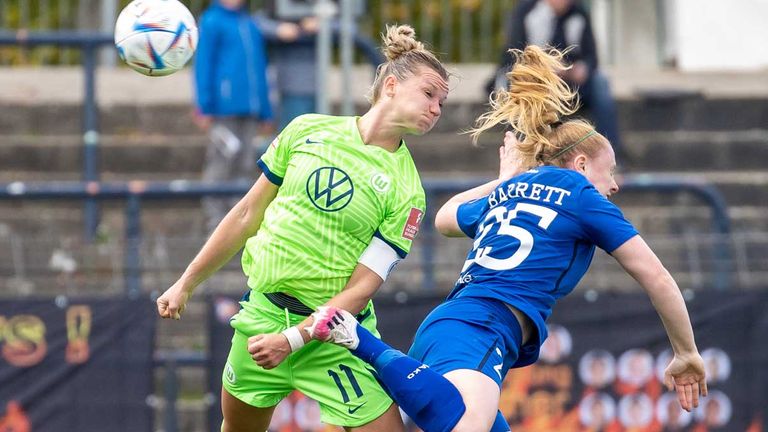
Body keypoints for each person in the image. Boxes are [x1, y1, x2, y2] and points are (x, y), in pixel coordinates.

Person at [309, 45, 707, 432]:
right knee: (465, 427)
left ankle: (369, 350)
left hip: (447, 327)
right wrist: (687, 352)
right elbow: (656, 277)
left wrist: (502, 181)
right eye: (611, 171)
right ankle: (358, 339)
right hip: (482, 326)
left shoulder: (510, 191)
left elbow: (445, 217)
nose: (615, 185)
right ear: (582, 164)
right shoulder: (580, 194)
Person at [157, 24, 450, 432]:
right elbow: (246, 214)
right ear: (391, 86)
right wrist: (185, 282)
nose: (437, 108)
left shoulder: (408, 191)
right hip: (262, 319)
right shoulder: (307, 129)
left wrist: (294, 338)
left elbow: (363, 287)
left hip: (335, 337)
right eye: (429, 93)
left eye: (442, 101)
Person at [486, 0, 624, 162]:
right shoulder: (527, 11)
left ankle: (612, 154)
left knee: (600, 83)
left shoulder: (578, 13)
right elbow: (512, 56)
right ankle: (526, 154)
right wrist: (543, 68)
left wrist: (582, 68)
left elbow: (591, 57)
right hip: (537, 79)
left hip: (571, 81)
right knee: (525, 89)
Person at [194, 0, 274, 233]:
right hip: (223, 109)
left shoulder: (249, 22)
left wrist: (265, 109)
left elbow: (260, 70)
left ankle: (237, 229)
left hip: (249, 110)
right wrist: (204, 105)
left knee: (245, 165)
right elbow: (203, 65)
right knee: (221, 164)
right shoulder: (211, 21)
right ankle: (214, 226)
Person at [255, 0, 321, 130]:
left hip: (319, 88)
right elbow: (256, 23)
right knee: (292, 135)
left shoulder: (319, 9)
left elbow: (348, 24)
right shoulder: (275, 10)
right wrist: (278, 29)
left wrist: (322, 24)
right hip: (289, 88)